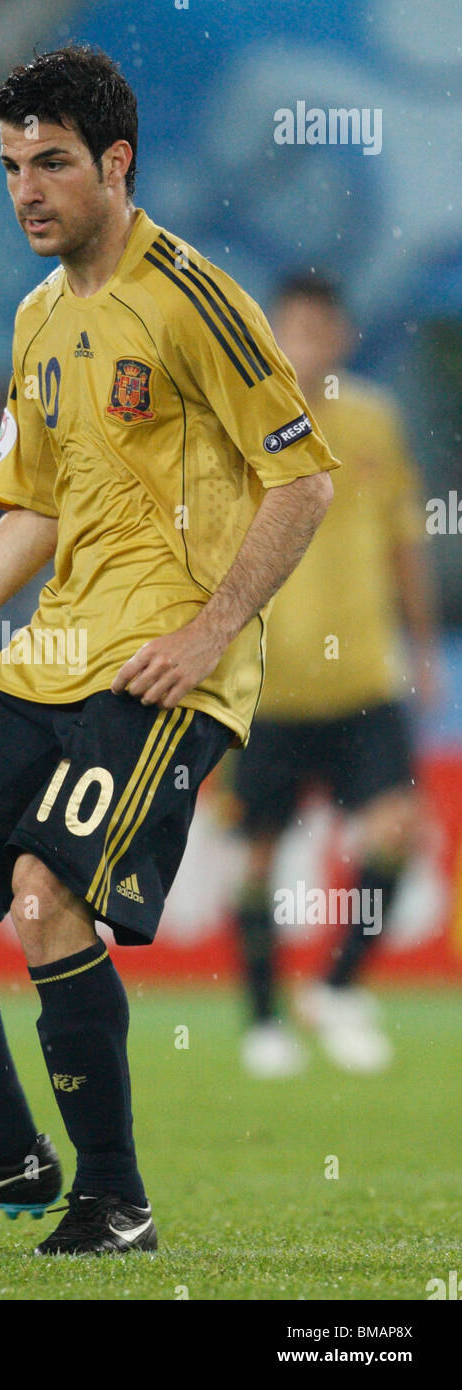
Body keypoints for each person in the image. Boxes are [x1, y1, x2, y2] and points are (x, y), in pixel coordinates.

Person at [0, 46, 338, 1255]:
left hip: (162, 672)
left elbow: (302, 479)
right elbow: (34, 510)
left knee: (45, 899)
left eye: (50, 164)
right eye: (8, 167)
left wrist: (209, 632)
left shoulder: (193, 297)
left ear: (115, 163)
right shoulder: (39, 316)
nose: (25, 190)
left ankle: (115, 1199)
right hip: (50, 654)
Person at [232, 274, 437, 1079]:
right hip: (267, 685)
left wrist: (422, 647)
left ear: (343, 337)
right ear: (272, 338)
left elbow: (403, 540)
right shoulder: (241, 425)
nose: (307, 344)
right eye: (293, 330)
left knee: (397, 829)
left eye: (321, 329)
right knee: (255, 855)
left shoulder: (374, 420)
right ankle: (261, 1021)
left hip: (362, 678)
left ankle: (337, 986)